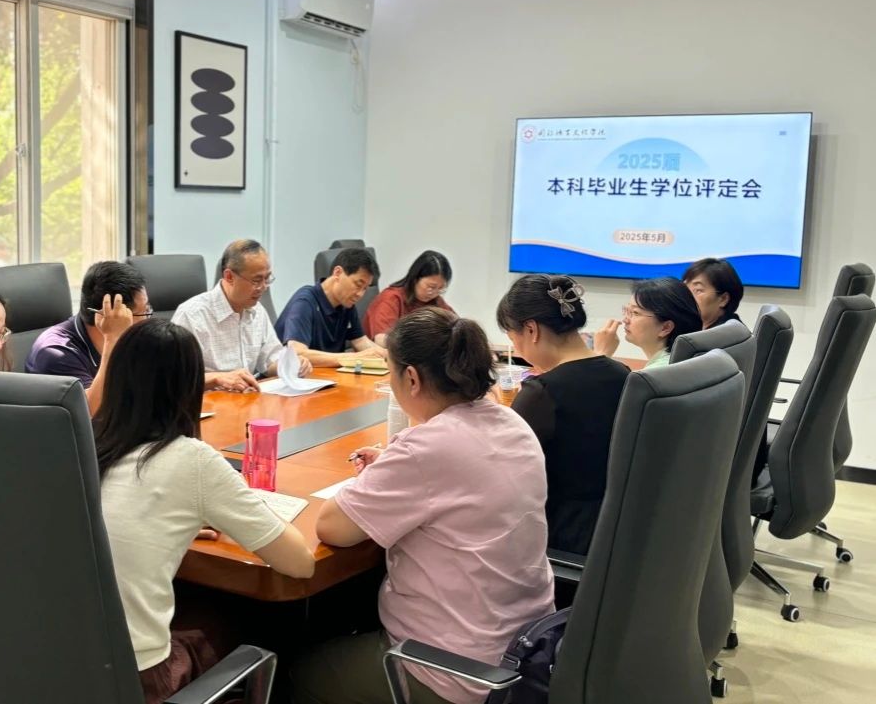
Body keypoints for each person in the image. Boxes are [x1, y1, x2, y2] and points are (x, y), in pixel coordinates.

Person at [292, 308, 554, 704]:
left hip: (452, 669)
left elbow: (332, 527)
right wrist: (395, 468)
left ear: (411, 378)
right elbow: (455, 476)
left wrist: (391, 470)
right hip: (526, 653)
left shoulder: (428, 448)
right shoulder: (511, 422)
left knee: (297, 670)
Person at [95, 319, 314, 703]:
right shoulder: (191, 460)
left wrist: (171, 521)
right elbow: (300, 563)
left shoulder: (83, 444)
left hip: (66, 668)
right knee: (247, 615)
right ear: (190, 388)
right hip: (139, 682)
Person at [497, 275, 630, 556]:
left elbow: (499, 472)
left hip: (557, 539)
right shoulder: (623, 374)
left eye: (513, 339)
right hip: (614, 534)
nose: (518, 349)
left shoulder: (543, 392)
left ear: (531, 330)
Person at [172, 239, 311, 392]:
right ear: (229, 277)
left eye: (267, 278)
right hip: (208, 402)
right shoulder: (192, 316)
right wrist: (217, 378)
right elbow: (176, 378)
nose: (263, 287)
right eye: (256, 280)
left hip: (247, 399)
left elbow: (269, 361)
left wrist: (292, 365)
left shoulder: (257, 311)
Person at [26, 260, 148, 413]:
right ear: (109, 315)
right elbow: (91, 412)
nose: (147, 320)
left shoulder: (131, 340)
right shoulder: (56, 353)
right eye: (143, 313)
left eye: (148, 309)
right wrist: (113, 338)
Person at [275, 247, 387, 367]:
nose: (360, 294)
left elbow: (360, 341)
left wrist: (390, 356)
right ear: (338, 273)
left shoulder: (347, 304)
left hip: (327, 374)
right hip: (293, 376)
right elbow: (297, 353)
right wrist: (353, 358)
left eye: (365, 289)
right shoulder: (305, 302)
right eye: (358, 285)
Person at [594, 277, 704, 369]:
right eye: (627, 311)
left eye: (635, 313)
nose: (625, 320)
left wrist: (601, 355)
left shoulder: (652, 375)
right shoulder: (687, 359)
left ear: (665, 328)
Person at [362, 250, 454, 346]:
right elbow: (381, 340)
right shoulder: (391, 298)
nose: (434, 293)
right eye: (431, 287)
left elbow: (457, 329)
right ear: (415, 278)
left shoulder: (436, 301)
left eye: (440, 289)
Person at [683, 257, 745, 329]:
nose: (686, 295)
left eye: (698, 290)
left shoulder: (728, 333)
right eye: (685, 288)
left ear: (723, 299)